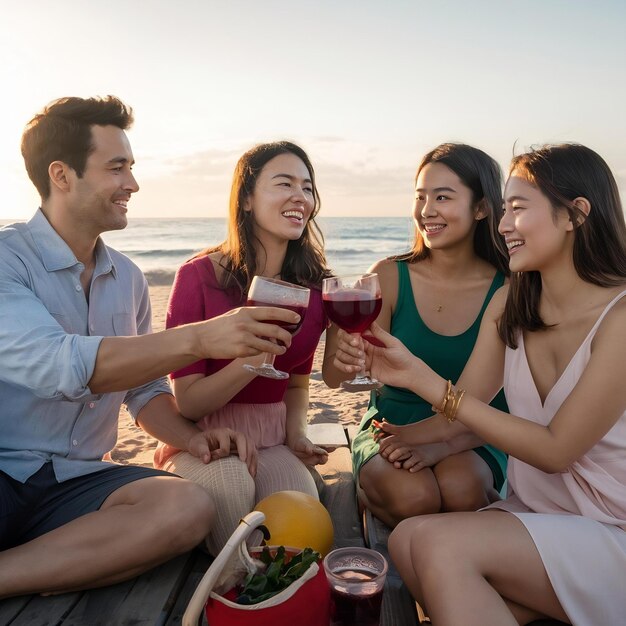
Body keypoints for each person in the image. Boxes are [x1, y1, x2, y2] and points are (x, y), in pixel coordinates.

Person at [0, 96, 301, 599]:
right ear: (61, 175)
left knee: (188, 507)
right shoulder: (8, 260)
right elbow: (61, 362)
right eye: (117, 168)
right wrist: (202, 337)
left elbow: (143, 391)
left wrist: (190, 437)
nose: (133, 184)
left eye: (132, 168)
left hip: (81, 480)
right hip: (5, 471)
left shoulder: (130, 278)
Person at [342, 144, 626, 625]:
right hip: (540, 513)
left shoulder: (619, 317)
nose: (502, 224)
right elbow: (467, 403)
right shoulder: (513, 305)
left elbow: (556, 451)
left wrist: (427, 382)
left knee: (436, 546)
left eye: (518, 208)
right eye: (504, 209)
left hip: (606, 528)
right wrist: (409, 388)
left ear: (575, 214)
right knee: (411, 541)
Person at [153, 141, 331, 554]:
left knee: (299, 516)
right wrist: (249, 362)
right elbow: (191, 404)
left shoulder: (314, 290)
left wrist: (296, 434)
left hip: (273, 439)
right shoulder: (199, 277)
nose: (299, 197)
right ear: (247, 198)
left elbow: (297, 384)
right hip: (202, 436)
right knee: (232, 489)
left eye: (307, 187)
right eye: (283, 183)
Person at [323, 143, 509, 528]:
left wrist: (440, 441)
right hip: (392, 426)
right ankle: (367, 491)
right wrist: (341, 353)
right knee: (414, 496)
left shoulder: (509, 289)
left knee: (462, 491)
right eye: (420, 197)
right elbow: (333, 378)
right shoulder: (389, 276)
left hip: (472, 432)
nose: (426, 211)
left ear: (482, 208)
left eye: (443, 196)